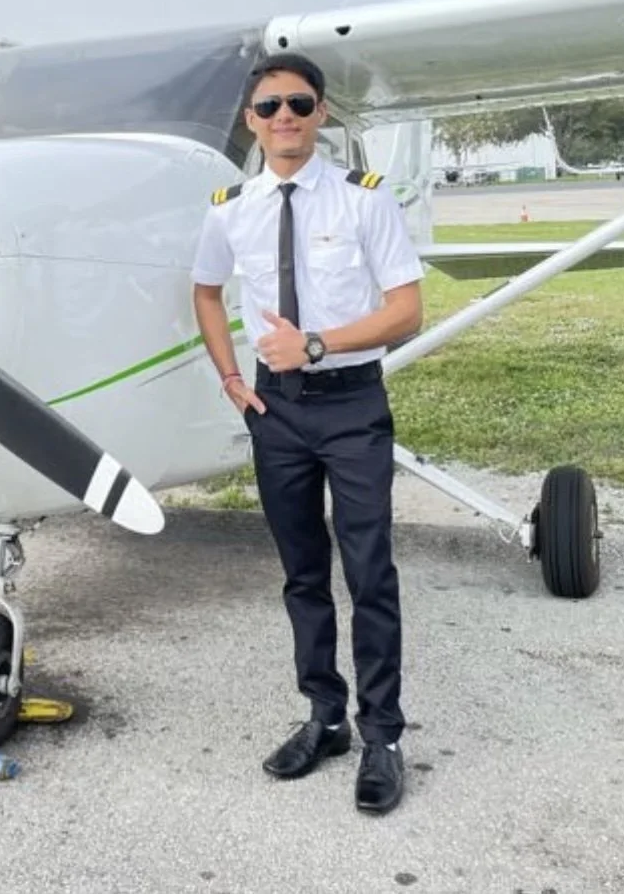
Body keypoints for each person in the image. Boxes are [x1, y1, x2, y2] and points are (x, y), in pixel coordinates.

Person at [190, 53, 424, 814]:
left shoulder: (364, 199)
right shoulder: (230, 208)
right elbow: (205, 290)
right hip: (277, 411)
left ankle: (383, 736)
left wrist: (316, 344)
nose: (284, 117)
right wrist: (232, 379)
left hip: (351, 404)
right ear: (251, 122)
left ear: (321, 112)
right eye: (269, 107)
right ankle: (325, 717)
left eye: (298, 103)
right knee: (301, 574)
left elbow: (406, 310)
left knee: (369, 572)